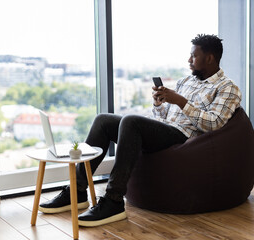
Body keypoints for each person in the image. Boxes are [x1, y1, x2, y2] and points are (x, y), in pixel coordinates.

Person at [38, 34, 242, 227]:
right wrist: (160, 104)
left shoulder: (227, 88)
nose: (189, 60)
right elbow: (163, 117)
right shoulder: (186, 81)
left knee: (131, 121)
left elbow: (214, 123)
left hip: (184, 138)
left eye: (194, 55)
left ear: (209, 58)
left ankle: (114, 200)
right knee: (103, 120)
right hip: (167, 129)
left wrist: (180, 101)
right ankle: (77, 190)